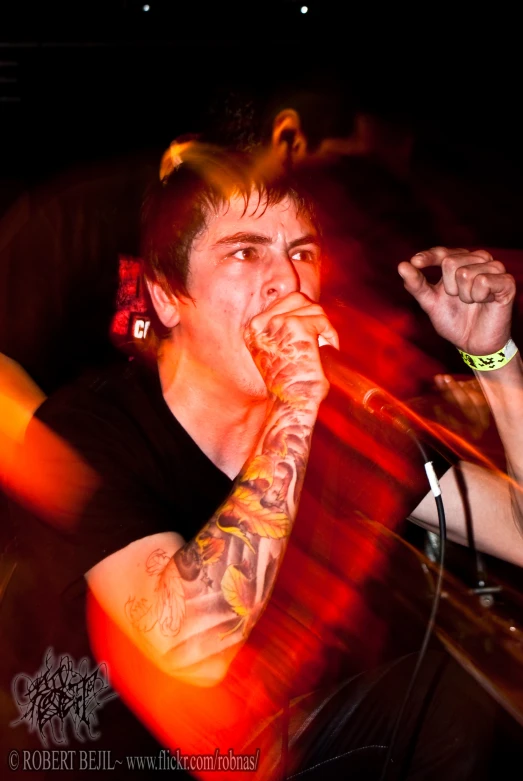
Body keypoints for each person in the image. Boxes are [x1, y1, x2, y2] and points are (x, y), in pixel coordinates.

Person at [6, 144, 523, 779]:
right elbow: (191, 648)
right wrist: (297, 403)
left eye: (302, 252)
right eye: (246, 252)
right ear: (169, 297)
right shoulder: (92, 428)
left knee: (469, 692)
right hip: (106, 757)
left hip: (285, 748)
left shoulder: (345, 427)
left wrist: (495, 359)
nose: (289, 282)